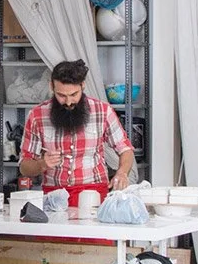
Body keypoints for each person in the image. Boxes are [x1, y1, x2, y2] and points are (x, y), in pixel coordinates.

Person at [18, 59, 134, 204]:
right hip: (54, 197)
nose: (68, 102)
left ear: (82, 85)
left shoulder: (103, 111)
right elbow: (24, 166)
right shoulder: (36, 116)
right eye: (61, 95)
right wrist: (42, 164)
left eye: (74, 94)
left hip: (95, 193)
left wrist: (122, 173)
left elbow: (125, 149)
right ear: (51, 87)